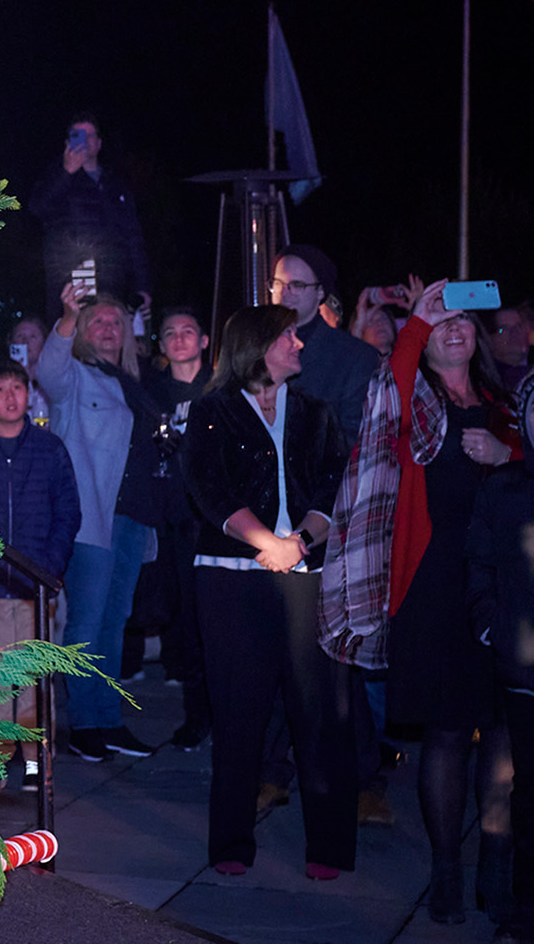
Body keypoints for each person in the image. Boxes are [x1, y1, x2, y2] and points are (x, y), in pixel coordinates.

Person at [322, 280, 525, 921]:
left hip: (504, 587)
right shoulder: (413, 399)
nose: (454, 329)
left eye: (462, 319)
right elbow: (391, 383)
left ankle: (495, 857)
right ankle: (444, 869)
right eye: (441, 325)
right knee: (444, 732)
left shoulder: (506, 403)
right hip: (435, 588)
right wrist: (416, 322)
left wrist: (508, 451)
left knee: (500, 733)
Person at [184, 304, 355, 880]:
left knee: (318, 711)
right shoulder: (212, 412)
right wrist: (266, 542)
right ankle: (231, 843)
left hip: (304, 574)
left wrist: (299, 542)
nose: (300, 346)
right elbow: (209, 490)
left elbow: (335, 485)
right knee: (238, 713)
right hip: (231, 579)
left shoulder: (315, 411)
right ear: (258, 346)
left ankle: (329, 847)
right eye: (289, 338)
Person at [38, 281, 163, 760]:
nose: (109, 328)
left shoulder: (133, 382)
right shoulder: (73, 378)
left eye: (116, 321)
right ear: (84, 333)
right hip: (93, 518)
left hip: (134, 516)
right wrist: (68, 315)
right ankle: (84, 723)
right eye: (98, 322)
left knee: (116, 623)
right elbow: (48, 369)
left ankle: (109, 719)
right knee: (87, 624)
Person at [0, 356, 80, 792]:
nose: (11, 397)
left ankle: (35, 765)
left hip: (36, 583)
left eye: (17, 387)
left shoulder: (49, 449)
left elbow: (67, 512)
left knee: (32, 678)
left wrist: (49, 567)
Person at [467, 377, 534, 942]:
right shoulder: (507, 488)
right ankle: (521, 904)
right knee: (525, 791)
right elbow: (480, 561)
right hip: (523, 666)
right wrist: (490, 620)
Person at [148, 308, 214, 748]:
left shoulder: (222, 387)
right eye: (169, 333)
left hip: (215, 520)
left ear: (205, 341)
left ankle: (223, 715)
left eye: (188, 331)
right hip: (169, 523)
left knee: (214, 623)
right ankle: (197, 717)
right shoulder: (150, 392)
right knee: (185, 624)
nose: (179, 338)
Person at [26, 119, 152, 318]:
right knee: (76, 338)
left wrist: (142, 286)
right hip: (71, 278)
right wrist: (66, 172)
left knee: (111, 335)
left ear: (99, 143)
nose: (85, 141)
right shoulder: (55, 176)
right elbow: (38, 208)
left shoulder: (115, 183)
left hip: (115, 280)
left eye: (90, 135)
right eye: (78, 135)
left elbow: (133, 237)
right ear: (68, 142)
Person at [271, 244, 381, 440]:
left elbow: (353, 438)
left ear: (320, 292)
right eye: (278, 283)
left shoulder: (354, 357)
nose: (285, 293)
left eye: (297, 285)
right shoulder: (255, 346)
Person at [485, 299, 532, 395]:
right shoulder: (487, 382)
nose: (514, 332)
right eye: (504, 329)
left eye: (519, 326)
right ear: (490, 339)